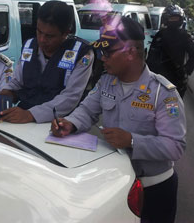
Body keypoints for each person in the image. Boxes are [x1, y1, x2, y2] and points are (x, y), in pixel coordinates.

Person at [51, 16, 186, 223]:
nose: (102, 58)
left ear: (131, 52)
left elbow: (175, 146)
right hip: (114, 184)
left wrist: (132, 141)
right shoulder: (106, 82)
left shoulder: (163, 93)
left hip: (153, 188)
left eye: (108, 52)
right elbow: (87, 110)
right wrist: (70, 123)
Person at [0, 0, 95, 123]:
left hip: (60, 123)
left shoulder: (82, 53)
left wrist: (31, 114)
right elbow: (18, 81)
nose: (42, 40)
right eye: (39, 32)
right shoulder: (29, 45)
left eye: (50, 36)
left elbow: (70, 97)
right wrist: (7, 92)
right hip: (23, 117)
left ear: (66, 33)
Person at [146, 4, 194, 97]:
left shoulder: (185, 36)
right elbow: (151, 56)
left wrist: (185, 71)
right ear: (166, 19)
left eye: (176, 18)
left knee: (174, 108)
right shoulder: (159, 35)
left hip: (176, 79)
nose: (173, 20)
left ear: (180, 19)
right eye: (171, 18)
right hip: (158, 78)